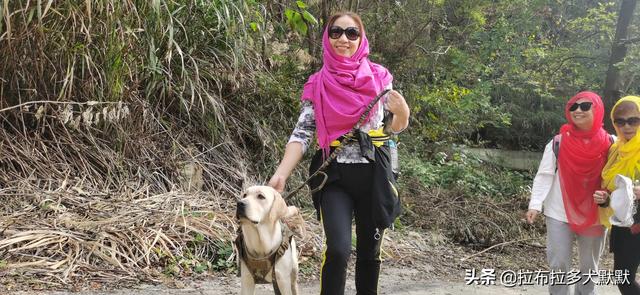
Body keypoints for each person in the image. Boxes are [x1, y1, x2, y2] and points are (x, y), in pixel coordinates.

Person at [268, 11, 410, 295]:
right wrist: (281, 174)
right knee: (338, 250)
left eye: (351, 33)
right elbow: (303, 133)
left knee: (370, 253)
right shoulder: (317, 83)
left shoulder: (381, 78)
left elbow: (393, 128)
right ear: (327, 37)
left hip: (374, 176)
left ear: (361, 38)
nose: (343, 39)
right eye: (336, 32)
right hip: (333, 177)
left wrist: (403, 113)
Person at [525, 91, 613, 295]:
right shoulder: (558, 142)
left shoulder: (611, 143)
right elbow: (545, 175)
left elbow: (619, 176)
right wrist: (535, 204)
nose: (578, 110)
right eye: (573, 106)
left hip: (594, 214)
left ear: (597, 109)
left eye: (585, 106)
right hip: (559, 211)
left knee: (589, 266)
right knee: (558, 262)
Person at [596, 95, 640, 295]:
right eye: (620, 121)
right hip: (625, 224)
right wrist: (605, 200)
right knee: (623, 278)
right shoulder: (615, 150)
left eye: (634, 120)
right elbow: (614, 189)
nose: (627, 126)